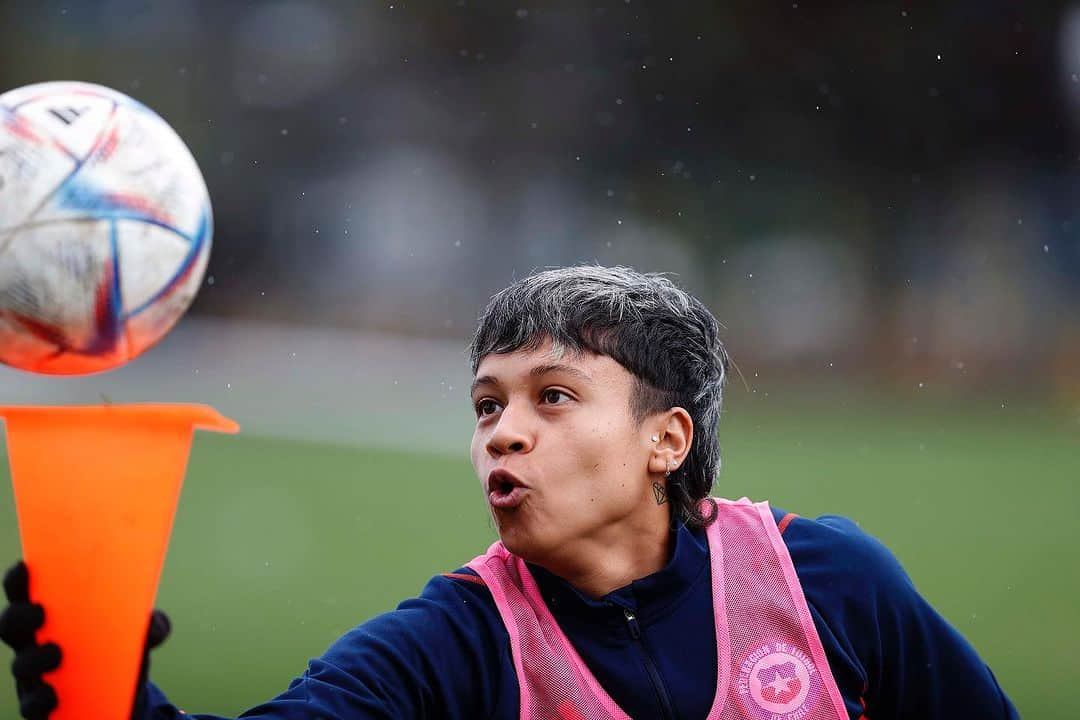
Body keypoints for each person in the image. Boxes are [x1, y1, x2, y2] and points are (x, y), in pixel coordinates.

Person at [2, 265, 1018, 719]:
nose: (506, 430)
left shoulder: (827, 583)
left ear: (667, 440)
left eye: (555, 395)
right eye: (487, 405)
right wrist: (108, 691)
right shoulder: (459, 640)